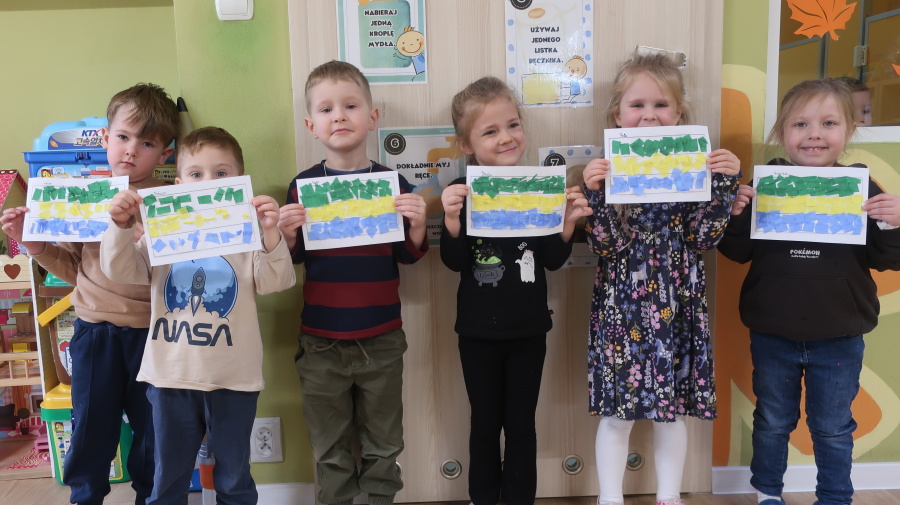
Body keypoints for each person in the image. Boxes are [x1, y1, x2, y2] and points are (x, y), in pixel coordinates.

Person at [718, 78, 900, 505]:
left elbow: (887, 259)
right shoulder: (764, 186)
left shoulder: (862, 187)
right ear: (781, 132)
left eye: (828, 123)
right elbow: (737, 252)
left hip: (839, 336)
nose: (814, 133)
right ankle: (768, 493)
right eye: (800, 123)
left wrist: (892, 223)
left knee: (833, 427)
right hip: (772, 333)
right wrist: (736, 215)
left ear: (848, 131)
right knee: (772, 420)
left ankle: (834, 497)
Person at [0, 83, 178, 505]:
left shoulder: (170, 202)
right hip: (95, 333)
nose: (131, 150)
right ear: (104, 137)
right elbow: (72, 269)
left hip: (155, 335)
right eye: (123, 137)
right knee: (90, 430)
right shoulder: (83, 198)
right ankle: (86, 496)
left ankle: (152, 496)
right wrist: (34, 243)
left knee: (155, 432)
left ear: (165, 154)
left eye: (147, 143)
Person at [99, 126, 296, 505]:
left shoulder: (247, 235)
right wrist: (120, 227)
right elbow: (121, 270)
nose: (208, 183)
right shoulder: (162, 231)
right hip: (171, 376)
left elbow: (277, 281)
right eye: (196, 174)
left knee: (234, 478)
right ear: (178, 184)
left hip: (234, 379)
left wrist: (271, 233)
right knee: (167, 479)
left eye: (221, 174)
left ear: (239, 181)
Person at [582, 53, 740, 505]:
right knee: (617, 414)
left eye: (661, 105)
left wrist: (724, 185)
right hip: (623, 307)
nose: (649, 115)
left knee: (671, 414)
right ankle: (609, 498)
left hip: (678, 303)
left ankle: (669, 496)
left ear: (680, 114)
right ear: (617, 115)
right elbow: (605, 245)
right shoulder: (607, 171)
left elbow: (703, 238)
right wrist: (596, 195)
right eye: (637, 105)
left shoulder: (696, 168)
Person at [277, 60, 428, 505]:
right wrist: (287, 235)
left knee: (385, 443)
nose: (339, 116)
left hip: (382, 340)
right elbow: (294, 260)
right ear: (311, 125)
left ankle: (380, 499)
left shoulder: (393, 184)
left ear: (372, 116)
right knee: (330, 447)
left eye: (350, 106)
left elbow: (407, 256)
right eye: (326, 109)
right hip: (321, 342)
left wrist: (419, 226)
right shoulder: (303, 186)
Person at [439, 76, 592, 505]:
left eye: (512, 125)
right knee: (485, 424)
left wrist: (567, 223)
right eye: (490, 131)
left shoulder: (539, 186)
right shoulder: (462, 191)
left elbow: (552, 260)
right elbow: (454, 261)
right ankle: (483, 497)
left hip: (528, 331)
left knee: (522, 425)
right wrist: (451, 220)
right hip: (477, 333)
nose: (506, 137)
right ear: (466, 144)